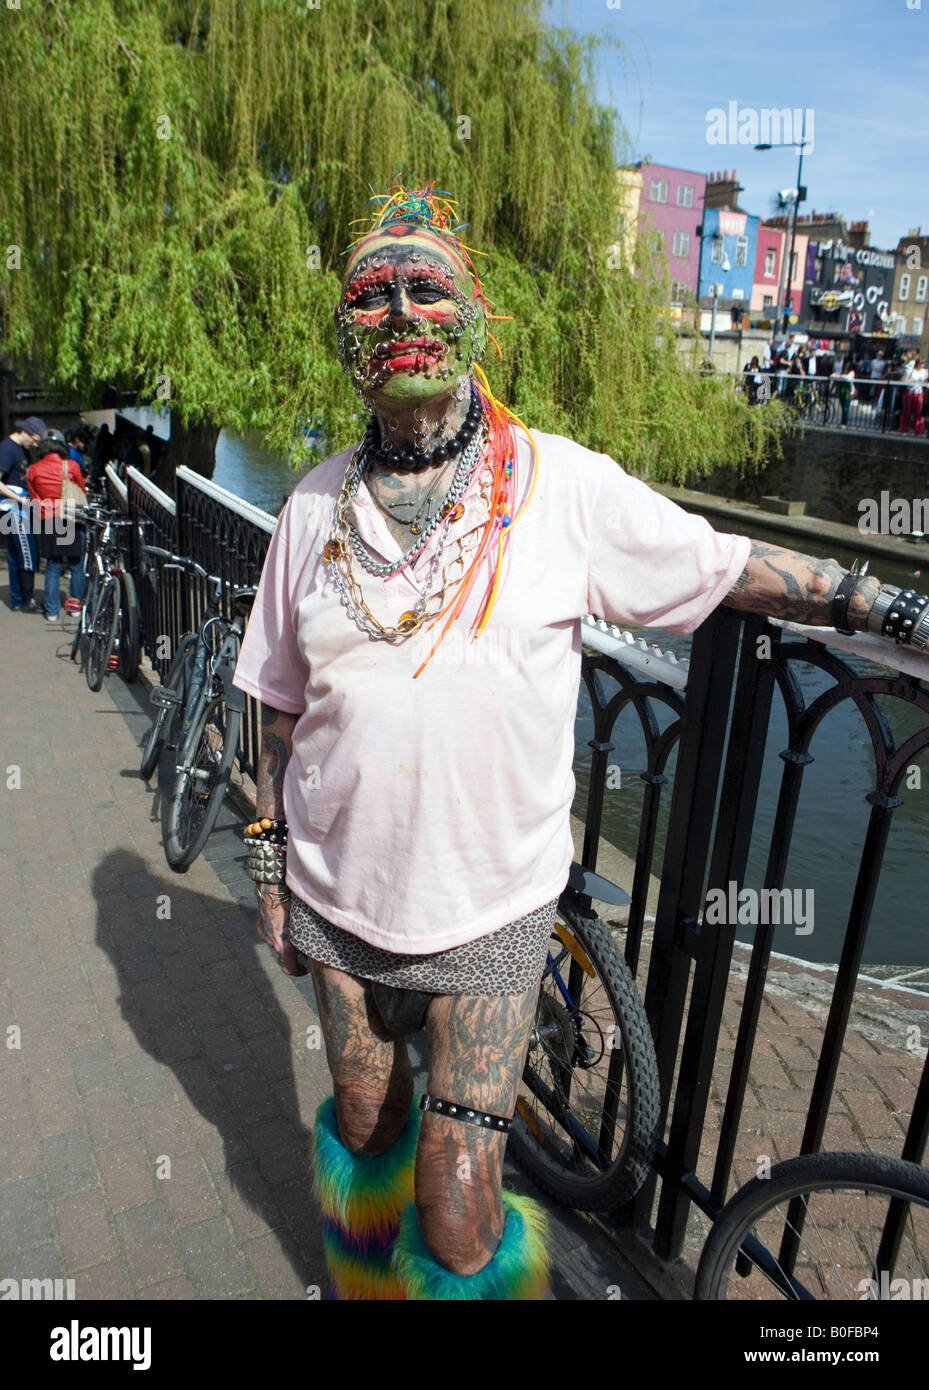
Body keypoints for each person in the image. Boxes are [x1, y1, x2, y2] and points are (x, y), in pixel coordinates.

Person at [232, 184, 918, 1303]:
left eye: (425, 287)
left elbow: (716, 566)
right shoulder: (310, 510)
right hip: (334, 891)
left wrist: (871, 604)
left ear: (474, 316)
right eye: (370, 295)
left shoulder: (557, 485)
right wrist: (268, 864)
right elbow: (272, 697)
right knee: (361, 1124)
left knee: (458, 1208)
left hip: (491, 909)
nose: (400, 310)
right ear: (340, 332)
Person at [26, 429, 86, 623]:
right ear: (61, 447)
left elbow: (34, 497)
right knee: (76, 564)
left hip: (47, 519)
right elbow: (81, 490)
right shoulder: (71, 466)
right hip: (70, 517)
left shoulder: (33, 470)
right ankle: (75, 608)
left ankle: (52, 611)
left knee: (53, 566)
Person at [0, 414, 45, 611]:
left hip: (16, 507)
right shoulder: (8, 449)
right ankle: (27, 600)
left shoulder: (19, 449)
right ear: (26, 433)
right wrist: (20, 500)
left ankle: (18, 599)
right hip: (13, 508)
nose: (34, 444)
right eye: (34, 440)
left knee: (16, 554)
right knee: (28, 552)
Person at [901, 358, 927, 436]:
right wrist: (911, 381)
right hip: (910, 392)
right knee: (907, 411)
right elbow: (904, 380)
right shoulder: (911, 371)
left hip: (919, 392)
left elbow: (926, 381)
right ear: (917, 363)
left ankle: (918, 430)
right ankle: (904, 429)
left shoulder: (925, 372)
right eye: (921, 363)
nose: (922, 365)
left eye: (923, 363)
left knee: (918, 411)